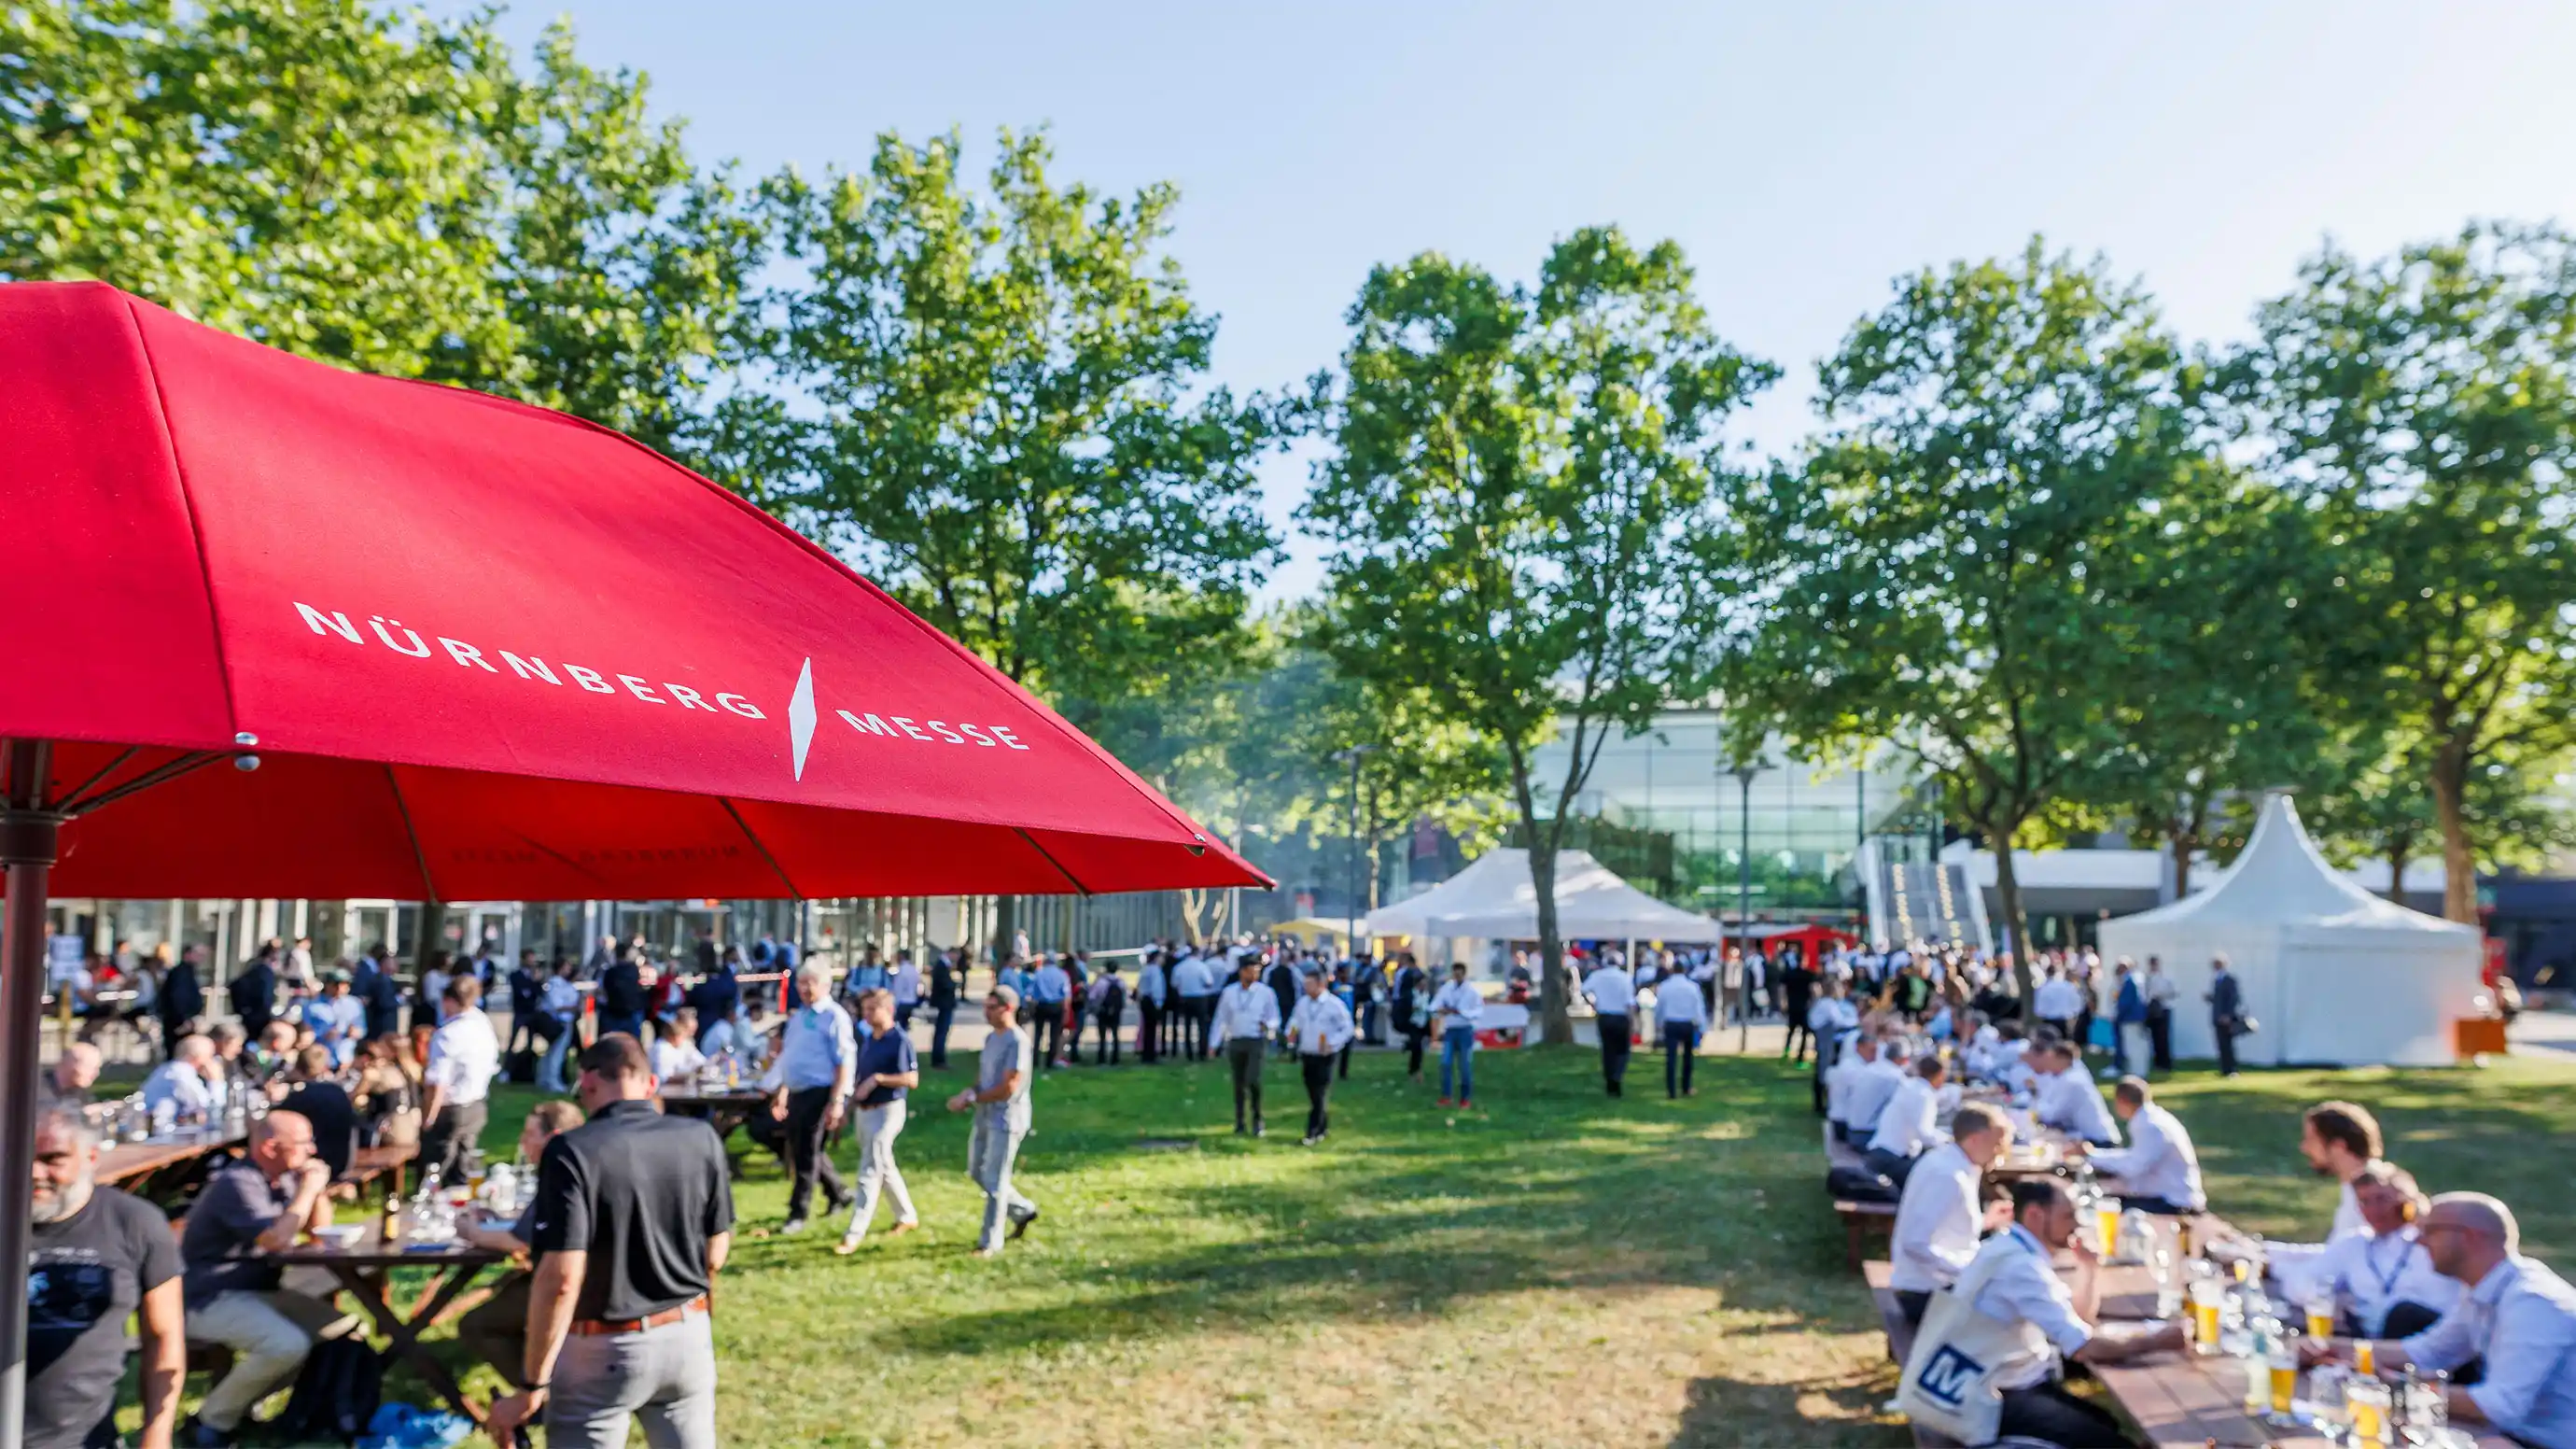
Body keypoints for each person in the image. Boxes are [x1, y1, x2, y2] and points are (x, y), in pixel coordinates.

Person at [487, 1035, 733, 1449]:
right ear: (648, 1082)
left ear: (587, 1083)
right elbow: (716, 1252)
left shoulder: (571, 1150)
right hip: (687, 1334)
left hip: (601, 1347)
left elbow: (560, 1278)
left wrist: (533, 1384)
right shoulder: (701, 1137)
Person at [1917, 1176, 2183, 1447]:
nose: (2077, 1225)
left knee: (2106, 1424)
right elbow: (2085, 1347)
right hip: (1991, 1400)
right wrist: (2159, 1341)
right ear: (2035, 1214)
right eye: (2068, 1215)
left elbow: (2078, 1322)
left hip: (1993, 1382)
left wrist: (2088, 1270)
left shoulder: (2010, 1247)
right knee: (2112, 1443)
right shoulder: (2020, 1267)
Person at [2316, 1193, 2576, 1448]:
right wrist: (2328, 1347)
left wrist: (2395, 1388)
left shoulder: (2533, 1303)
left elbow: (2498, 1406)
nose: (2418, 1241)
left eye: (2429, 1230)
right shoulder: (2486, 1287)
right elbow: (2428, 1351)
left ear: (2469, 1236)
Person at [178, 1111, 356, 1446]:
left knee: (341, 1331)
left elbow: (318, 1231)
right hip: (209, 1297)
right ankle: (211, 1421)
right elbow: (275, 1240)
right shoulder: (238, 1183)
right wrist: (308, 1189)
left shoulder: (283, 1177)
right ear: (272, 1147)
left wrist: (315, 1193)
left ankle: (249, 1405)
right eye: (303, 1144)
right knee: (286, 1345)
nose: (312, 1151)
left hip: (257, 1290)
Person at [26, 1107, 183, 1449]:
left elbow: (164, 1336)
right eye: (26, 1156)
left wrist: (156, 1433)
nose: (36, 1172)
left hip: (85, 1437)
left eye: (54, 1159)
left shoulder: (134, 1223)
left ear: (91, 1157)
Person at [454, 1100, 586, 1398]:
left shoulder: (560, 1175)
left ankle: (538, 1397)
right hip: (581, 1279)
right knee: (508, 1288)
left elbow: (520, 1243)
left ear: (552, 1138)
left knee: (476, 1324)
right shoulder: (580, 1164)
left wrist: (471, 1232)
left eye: (529, 1134)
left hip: (563, 1284)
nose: (522, 1142)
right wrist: (498, 1221)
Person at [2274, 1164, 2458, 1340]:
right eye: (2365, 1201)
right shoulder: (2355, 1245)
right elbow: (2303, 1279)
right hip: (2368, 1341)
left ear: (2406, 1202)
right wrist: (2322, 1298)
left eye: (2382, 1200)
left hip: (2424, 1337)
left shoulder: (2430, 1244)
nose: (2374, 1210)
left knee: (2403, 1313)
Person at [1888, 1101, 2016, 1325]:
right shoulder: (1946, 1175)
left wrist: (1986, 1221)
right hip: (1925, 1294)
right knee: (2013, 1306)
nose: (2001, 1153)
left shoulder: (1952, 1162)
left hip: (1934, 1286)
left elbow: (1948, 1229)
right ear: (1976, 1139)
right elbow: (1914, 1243)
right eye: (1998, 1144)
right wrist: (1968, 1271)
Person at [946, 986, 1039, 1257]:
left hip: (1007, 1119)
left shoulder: (1017, 1042)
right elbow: (985, 1077)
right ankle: (1023, 1210)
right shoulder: (991, 1038)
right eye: (985, 1007)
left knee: (996, 1180)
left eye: (991, 1007)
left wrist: (975, 1098)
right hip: (985, 1114)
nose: (986, 1013)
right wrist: (970, 1092)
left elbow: (1009, 1086)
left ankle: (990, 1242)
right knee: (976, 1170)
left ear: (1008, 1008)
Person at [767, 964, 858, 1233]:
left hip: (820, 1092)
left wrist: (837, 1100)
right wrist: (782, 1091)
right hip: (797, 1091)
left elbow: (844, 1061)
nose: (804, 989)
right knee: (805, 1148)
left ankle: (798, 1211)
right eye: (801, 983)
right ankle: (839, 1193)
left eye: (811, 983)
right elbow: (790, 1056)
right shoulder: (799, 1016)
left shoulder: (833, 1016)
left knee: (805, 1152)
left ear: (825, 985)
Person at [836, 989, 921, 1253]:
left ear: (888, 1010)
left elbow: (912, 1079)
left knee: (870, 1169)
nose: (867, 1014)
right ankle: (906, 1216)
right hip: (865, 1111)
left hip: (888, 1109)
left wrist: (879, 1079)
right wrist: (847, 1108)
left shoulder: (899, 1040)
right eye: (865, 1009)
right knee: (884, 1164)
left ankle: (854, 1232)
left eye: (873, 1008)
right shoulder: (868, 1039)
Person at [2076, 1076, 2205, 1216]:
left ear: (2122, 1101)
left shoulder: (2148, 1125)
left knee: (2099, 1207)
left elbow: (2133, 1168)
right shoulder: (2153, 1117)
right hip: (2172, 1196)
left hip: (2173, 1201)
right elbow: (2135, 1156)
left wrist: (2091, 1157)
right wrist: (2093, 1154)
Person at [419, 976, 502, 1185]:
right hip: (476, 1104)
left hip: (450, 1109)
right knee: (463, 1170)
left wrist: (428, 1119)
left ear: (448, 1000)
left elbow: (438, 1082)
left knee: (435, 1171)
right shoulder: (482, 1022)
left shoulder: (448, 1034)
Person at [1287, 968, 1356, 1147]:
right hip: (1307, 1052)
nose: (1306, 988)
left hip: (1325, 1054)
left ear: (1321, 984)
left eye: (1310, 984)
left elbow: (1347, 1028)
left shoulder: (1334, 1004)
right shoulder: (1303, 1003)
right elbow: (1295, 1021)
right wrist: (1291, 1033)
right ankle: (1323, 1127)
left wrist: (1332, 1043)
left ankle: (1312, 1131)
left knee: (1320, 1092)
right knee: (1312, 1091)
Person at [1212, 955, 1280, 1135]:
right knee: (1238, 1083)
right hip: (1235, 1040)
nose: (1254, 975)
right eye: (1251, 972)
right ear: (1242, 972)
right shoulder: (1229, 993)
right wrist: (1214, 1043)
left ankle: (1258, 1119)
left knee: (1253, 1079)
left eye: (1257, 972)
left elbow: (1274, 1017)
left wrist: (1269, 1025)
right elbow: (1221, 1018)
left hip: (1255, 1040)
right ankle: (1240, 1121)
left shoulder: (1266, 993)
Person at [1863, 1052, 1948, 1189]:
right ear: (1940, 1075)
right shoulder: (1924, 1095)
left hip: (1878, 1154)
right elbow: (1924, 1135)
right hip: (1894, 1159)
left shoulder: (1909, 1086)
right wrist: (1949, 1140)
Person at [274, 1046, 359, 1179]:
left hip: (322, 1164)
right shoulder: (338, 1091)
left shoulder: (301, 1097)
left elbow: (276, 1122)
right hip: (346, 1161)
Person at [2031, 1040, 2121, 1147]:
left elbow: (2052, 1115)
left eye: (2051, 1058)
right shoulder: (2065, 1077)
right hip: (2088, 1138)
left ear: (2063, 1059)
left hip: (2100, 1142)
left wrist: (2033, 1105)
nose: (2047, 1062)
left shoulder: (2072, 1081)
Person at [1831, 1035, 1903, 1147]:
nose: (1875, 1055)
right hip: (1844, 1124)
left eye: (1876, 1050)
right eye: (1871, 1050)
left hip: (1848, 1122)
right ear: (1859, 1048)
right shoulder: (1851, 1068)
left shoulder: (1860, 1066)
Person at [353, 1034, 422, 1148]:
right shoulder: (410, 1069)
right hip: (410, 1123)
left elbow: (355, 1095)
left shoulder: (378, 1072)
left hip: (391, 1126)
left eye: (379, 1046)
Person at [1653, 958, 1709, 1099]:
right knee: (1687, 1058)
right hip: (1687, 1024)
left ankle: (1671, 1090)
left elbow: (1659, 1008)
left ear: (1672, 970)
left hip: (1671, 1023)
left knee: (1671, 1058)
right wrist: (1702, 1027)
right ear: (1685, 970)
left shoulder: (1665, 986)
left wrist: (1658, 1024)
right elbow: (1699, 1008)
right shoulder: (1692, 987)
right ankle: (1686, 1087)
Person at [1430, 962, 1483, 1109]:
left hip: (1465, 1029)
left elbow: (1479, 1011)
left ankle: (1465, 1098)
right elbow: (1434, 1005)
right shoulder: (1447, 989)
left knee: (1464, 1065)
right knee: (1446, 1063)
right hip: (1450, 1030)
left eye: (1459, 974)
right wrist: (1441, 1010)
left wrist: (1462, 1013)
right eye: (1455, 974)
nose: (1457, 977)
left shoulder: (1472, 991)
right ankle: (1447, 1095)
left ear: (1464, 974)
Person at [1582, 953, 1636, 1097]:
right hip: (1621, 1017)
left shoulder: (1597, 975)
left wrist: (1593, 1003)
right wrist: (1632, 1020)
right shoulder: (1626, 978)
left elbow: (1584, 989)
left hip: (1604, 1016)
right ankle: (1617, 1075)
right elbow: (1629, 1002)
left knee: (1608, 1050)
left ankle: (1609, 1080)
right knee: (1623, 1050)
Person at [142, 1035, 220, 1123]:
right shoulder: (183, 1074)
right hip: (165, 1128)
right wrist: (215, 1081)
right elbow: (210, 1108)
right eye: (210, 1056)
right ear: (199, 1057)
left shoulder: (165, 1069)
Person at [302, 971, 364, 1071]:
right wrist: (323, 1034)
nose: (339, 988)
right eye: (336, 984)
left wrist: (353, 1032)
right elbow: (307, 1032)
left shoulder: (355, 1004)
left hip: (347, 1057)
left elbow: (361, 1030)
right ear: (327, 985)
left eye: (344, 984)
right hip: (323, 1058)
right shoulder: (312, 1006)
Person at [226, 943, 279, 1041]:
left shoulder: (252, 968)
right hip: (259, 1014)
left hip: (248, 1012)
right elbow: (265, 996)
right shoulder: (265, 973)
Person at [596, 947, 647, 1045]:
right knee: (632, 1045)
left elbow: (603, 992)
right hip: (631, 1012)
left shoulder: (610, 972)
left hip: (612, 1012)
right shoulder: (634, 971)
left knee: (609, 1045)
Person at [1392, 953, 1431, 1081]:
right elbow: (1404, 1009)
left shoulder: (1427, 995)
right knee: (1417, 1045)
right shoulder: (1409, 995)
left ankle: (1414, 1067)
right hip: (1412, 1022)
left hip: (1423, 1023)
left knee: (1417, 1045)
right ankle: (1415, 1069)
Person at [2206, 952, 2245, 1076]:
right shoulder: (2217, 979)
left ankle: (2232, 1069)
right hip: (2217, 1017)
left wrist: (2228, 1014)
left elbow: (2233, 998)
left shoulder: (2229, 979)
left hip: (2226, 1017)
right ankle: (2224, 1069)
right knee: (2220, 1044)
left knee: (2228, 1044)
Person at [37, 1041, 101, 1114]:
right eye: (92, 1068)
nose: (97, 1073)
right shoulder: (37, 1089)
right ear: (73, 1065)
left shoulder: (80, 1093)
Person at [2142, 955, 2178, 1072]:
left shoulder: (2166, 978)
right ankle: (2157, 1062)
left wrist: (2162, 995)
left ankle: (2166, 1063)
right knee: (2154, 1037)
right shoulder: (2147, 978)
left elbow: (2174, 992)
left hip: (2163, 1008)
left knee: (2164, 1037)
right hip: (2151, 1009)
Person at [927, 948, 961, 1069]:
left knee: (942, 1031)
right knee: (942, 1031)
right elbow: (944, 984)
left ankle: (939, 1057)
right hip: (944, 1004)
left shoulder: (943, 965)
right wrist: (955, 983)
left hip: (945, 1004)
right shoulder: (941, 966)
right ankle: (938, 1059)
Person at [1087, 963, 1127, 1066]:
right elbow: (1124, 997)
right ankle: (1115, 1058)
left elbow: (1092, 996)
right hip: (1116, 1011)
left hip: (1103, 1011)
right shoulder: (1121, 982)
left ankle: (1102, 1059)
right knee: (1115, 1035)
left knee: (1102, 1036)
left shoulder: (1101, 982)